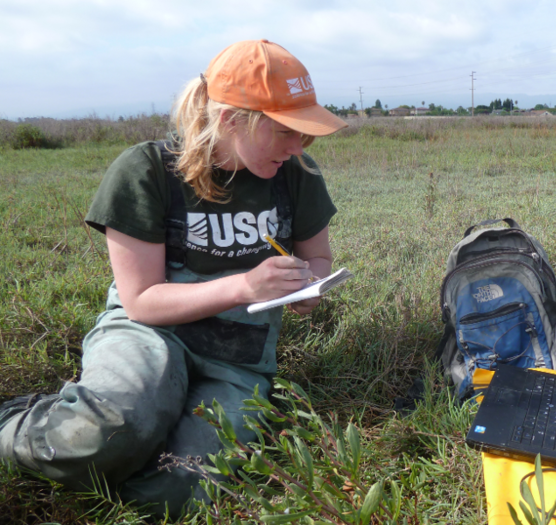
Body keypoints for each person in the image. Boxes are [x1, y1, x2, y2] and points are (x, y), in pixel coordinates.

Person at [0, 39, 347, 515]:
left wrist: (308, 286)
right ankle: (18, 421)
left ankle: (112, 465)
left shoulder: (298, 175)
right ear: (230, 120)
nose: (296, 149)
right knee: (104, 434)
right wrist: (245, 287)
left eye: (305, 136)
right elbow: (141, 300)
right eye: (287, 132)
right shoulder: (147, 171)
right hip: (150, 331)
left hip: (237, 354)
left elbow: (320, 260)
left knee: (180, 486)